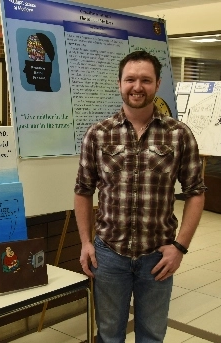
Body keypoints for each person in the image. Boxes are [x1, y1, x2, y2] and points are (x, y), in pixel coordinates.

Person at [74, 50, 207, 343]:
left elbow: (196, 192)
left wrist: (180, 247)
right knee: (109, 335)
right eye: (130, 79)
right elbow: (83, 190)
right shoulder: (98, 134)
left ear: (157, 84)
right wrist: (85, 242)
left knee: (151, 335)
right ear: (119, 83)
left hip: (157, 257)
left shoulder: (179, 134)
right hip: (109, 255)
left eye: (145, 80)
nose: (137, 86)